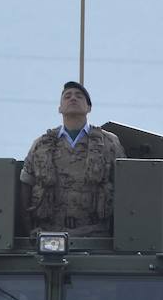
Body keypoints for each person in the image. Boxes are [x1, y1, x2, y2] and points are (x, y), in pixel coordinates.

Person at [19, 81, 126, 237]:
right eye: (67, 96)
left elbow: (123, 185)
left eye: (79, 96)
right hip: (49, 234)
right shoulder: (42, 144)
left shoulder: (108, 142)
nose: (73, 98)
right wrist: (28, 229)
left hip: (96, 234)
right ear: (60, 108)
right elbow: (26, 185)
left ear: (88, 108)